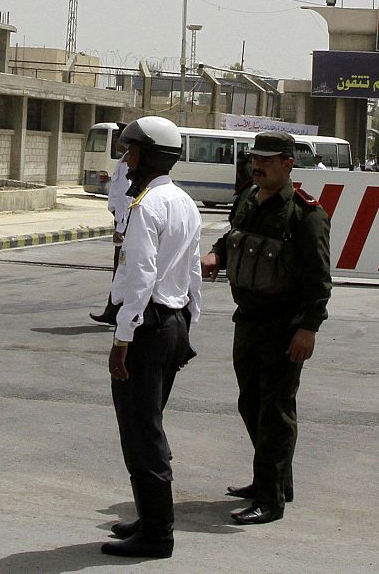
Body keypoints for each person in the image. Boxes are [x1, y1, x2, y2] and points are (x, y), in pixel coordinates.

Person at [202, 130, 331, 526]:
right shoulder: (246, 199)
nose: (258, 166)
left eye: (268, 160)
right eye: (255, 159)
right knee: (251, 403)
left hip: (284, 327)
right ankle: (273, 480)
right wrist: (216, 254)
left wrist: (308, 329)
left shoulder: (304, 215)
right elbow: (233, 238)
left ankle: (270, 499)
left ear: (288, 164)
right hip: (249, 320)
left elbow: (319, 279)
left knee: (274, 411)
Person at [101, 116, 202, 559]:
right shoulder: (184, 202)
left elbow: (140, 274)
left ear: (151, 155)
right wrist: (187, 324)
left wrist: (123, 337)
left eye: (132, 150)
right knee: (150, 423)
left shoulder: (147, 206)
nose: (126, 158)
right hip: (173, 322)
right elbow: (194, 271)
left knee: (142, 432)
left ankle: (158, 534)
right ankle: (148, 516)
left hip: (148, 325)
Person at [90, 126, 131, 325]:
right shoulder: (123, 161)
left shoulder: (132, 163)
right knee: (119, 268)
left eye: (118, 139)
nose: (116, 143)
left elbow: (128, 198)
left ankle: (117, 312)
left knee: (123, 268)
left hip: (125, 224)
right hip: (120, 220)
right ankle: (113, 311)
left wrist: (121, 227)